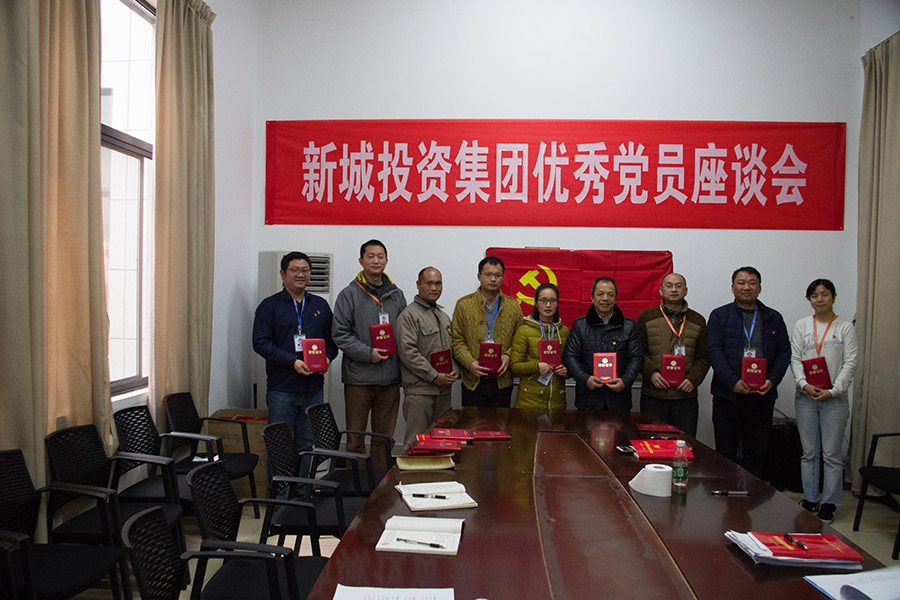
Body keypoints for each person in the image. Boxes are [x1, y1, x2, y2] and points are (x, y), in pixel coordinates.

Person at [252, 251, 337, 471]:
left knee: (308, 444)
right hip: (282, 389)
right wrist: (292, 362)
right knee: (279, 444)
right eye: (295, 270)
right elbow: (260, 342)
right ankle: (279, 491)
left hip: (313, 388)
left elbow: (332, 342)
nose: (300, 275)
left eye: (305, 270)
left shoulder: (320, 305)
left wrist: (327, 358)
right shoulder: (270, 306)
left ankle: (303, 488)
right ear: (283, 274)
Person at [707, 266, 790, 477]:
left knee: (756, 453)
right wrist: (732, 381)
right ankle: (726, 493)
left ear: (760, 288)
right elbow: (714, 350)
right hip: (728, 396)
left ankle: (752, 495)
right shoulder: (719, 315)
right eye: (741, 283)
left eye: (752, 283)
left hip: (762, 397)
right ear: (732, 287)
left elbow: (784, 352)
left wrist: (772, 380)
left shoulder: (773, 317)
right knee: (726, 453)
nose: (747, 287)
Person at [332, 240, 407, 469]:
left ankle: (380, 483)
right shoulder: (349, 294)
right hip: (359, 378)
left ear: (386, 260)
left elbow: (405, 333)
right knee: (355, 438)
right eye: (371, 256)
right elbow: (340, 334)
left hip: (390, 378)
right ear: (361, 261)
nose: (376, 261)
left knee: (384, 439)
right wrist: (368, 353)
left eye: (380, 256)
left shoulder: (397, 295)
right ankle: (355, 484)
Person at [789, 278, 858, 523]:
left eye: (824, 294)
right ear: (809, 299)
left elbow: (850, 362)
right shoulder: (802, 325)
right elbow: (795, 358)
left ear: (833, 296)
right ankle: (809, 499)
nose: (819, 299)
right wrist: (804, 384)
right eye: (814, 295)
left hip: (834, 400)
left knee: (832, 454)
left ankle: (829, 503)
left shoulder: (844, 327)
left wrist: (834, 390)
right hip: (805, 397)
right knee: (809, 453)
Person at [636, 273, 710, 436]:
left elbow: (703, 357)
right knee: (653, 442)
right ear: (661, 290)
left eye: (678, 286)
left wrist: (693, 379)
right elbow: (639, 352)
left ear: (686, 290)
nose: (674, 289)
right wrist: (652, 373)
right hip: (654, 394)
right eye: (669, 286)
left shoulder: (697, 320)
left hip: (685, 396)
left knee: (684, 443)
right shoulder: (646, 317)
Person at [396, 267, 459, 444]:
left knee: (441, 442)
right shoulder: (409, 316)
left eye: (438, 283)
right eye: (429, 283)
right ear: (418, 284)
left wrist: (455, 371)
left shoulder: (443, 316)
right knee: (416, 443)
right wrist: (434, 376)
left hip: (443, 392)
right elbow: (408, 353)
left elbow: (452, 349)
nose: (434, 288)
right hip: (420, 392)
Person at [451, 256, 524, 407]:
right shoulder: (463, 304)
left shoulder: (514, 306)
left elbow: (520, 341)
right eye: (488, 274)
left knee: (501, 421)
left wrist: (508, 355)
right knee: (471, 421)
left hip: (502, 380)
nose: (493, 279)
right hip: (473, 380)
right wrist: (470, 363)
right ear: (479, 276)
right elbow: (457, 340)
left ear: (503, 277)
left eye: (497, 275)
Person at [563, 276, 642, 411]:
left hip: (619, 400)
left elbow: (636, 357)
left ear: (615, 298)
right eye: (600, 294)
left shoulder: (629, 326)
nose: (605, 298)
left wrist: (625, 381)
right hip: (588, 399)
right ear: (592, 297)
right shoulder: (580, 325)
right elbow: (570, 356)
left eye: (610, 294)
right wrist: (585, 379)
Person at [510, 283, 569, 411]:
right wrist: (536, 366)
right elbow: (514, 367)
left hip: (557, 401)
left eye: (552, 301)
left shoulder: (564, 331)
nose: (548, 305)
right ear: (536, 303)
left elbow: (570, 363)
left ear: (557, 303)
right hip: (529, 401)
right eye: (543, 300)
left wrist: (566, 371)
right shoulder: (524, 330)